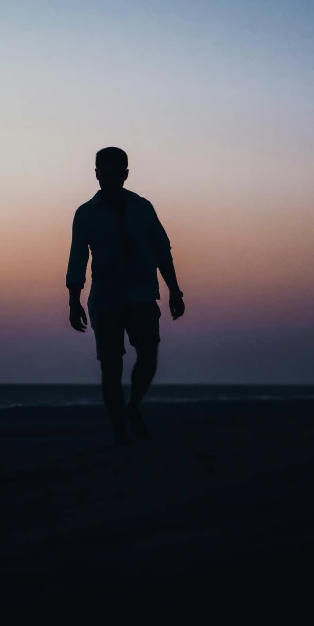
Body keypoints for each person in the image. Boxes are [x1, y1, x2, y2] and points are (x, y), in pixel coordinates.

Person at [66, 147, 185, 445]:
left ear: (126, 174)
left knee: (148, 354)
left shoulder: (142, 207)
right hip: (105, 299)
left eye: (116, 171)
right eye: (104, 171)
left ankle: (134, 407)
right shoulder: (85, 214)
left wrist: (174, 290)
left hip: (142, 294)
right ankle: (120, 431)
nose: (110, 177)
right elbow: (77, 258)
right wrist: (73, 301)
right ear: (96, 174)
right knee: (111, 365)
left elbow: (162, 250)